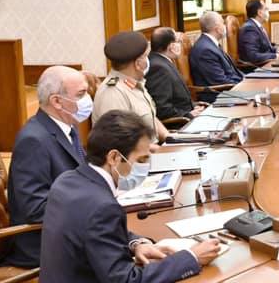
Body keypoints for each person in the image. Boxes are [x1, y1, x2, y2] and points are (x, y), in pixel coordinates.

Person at [39, 110, 220, 282]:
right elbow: (125, 279)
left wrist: (137, 243)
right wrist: (191, 257)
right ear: (114, 158)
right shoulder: (102, 207)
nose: (145, 167)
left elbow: (96, 231)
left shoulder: (66, 180)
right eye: (141, 160)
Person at [3, 66, 90, 268]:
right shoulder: (34, 140)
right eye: (81, 94)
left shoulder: (67, 126)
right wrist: (91, 206)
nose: (87, 100)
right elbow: (35, 208)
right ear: (57, 101)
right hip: (46, 244)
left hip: (70, 230)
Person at [93, 31, 169, 143]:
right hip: (139, 153)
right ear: (138, 64)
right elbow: (120, 142)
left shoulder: (135, 83)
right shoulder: (113, 93)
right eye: (146, 56)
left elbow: (150, 118)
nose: (149, 60)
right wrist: (157, 150)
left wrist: (169, 138)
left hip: (153, 149)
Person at [145, 28, 204, 121]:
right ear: (172, 46)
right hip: (181, 123)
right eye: (178, 41)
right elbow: (162, 108)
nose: (180, 45)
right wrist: (188, 115)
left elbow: (178, 99)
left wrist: (193, 106)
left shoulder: (162, 61)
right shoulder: (158, 68)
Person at [189, 11, 243, 103]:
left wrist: (246, 79)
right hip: (218, 96)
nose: (225, 26)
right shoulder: (205, 50)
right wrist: (243, 84)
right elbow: (220, 81)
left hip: (229, 90)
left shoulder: (210, 44)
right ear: (217, 28)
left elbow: (231, 72)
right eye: (223, 23)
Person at [238, 0, 277, 65]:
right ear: (259, 13)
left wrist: (277, 50)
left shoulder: (255, 26)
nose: (268, 11)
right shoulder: (249, 29)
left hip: (266, 63)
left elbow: (264, 47)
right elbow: (253, 56)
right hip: (258, 67)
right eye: (266, 9)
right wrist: (276, 55)